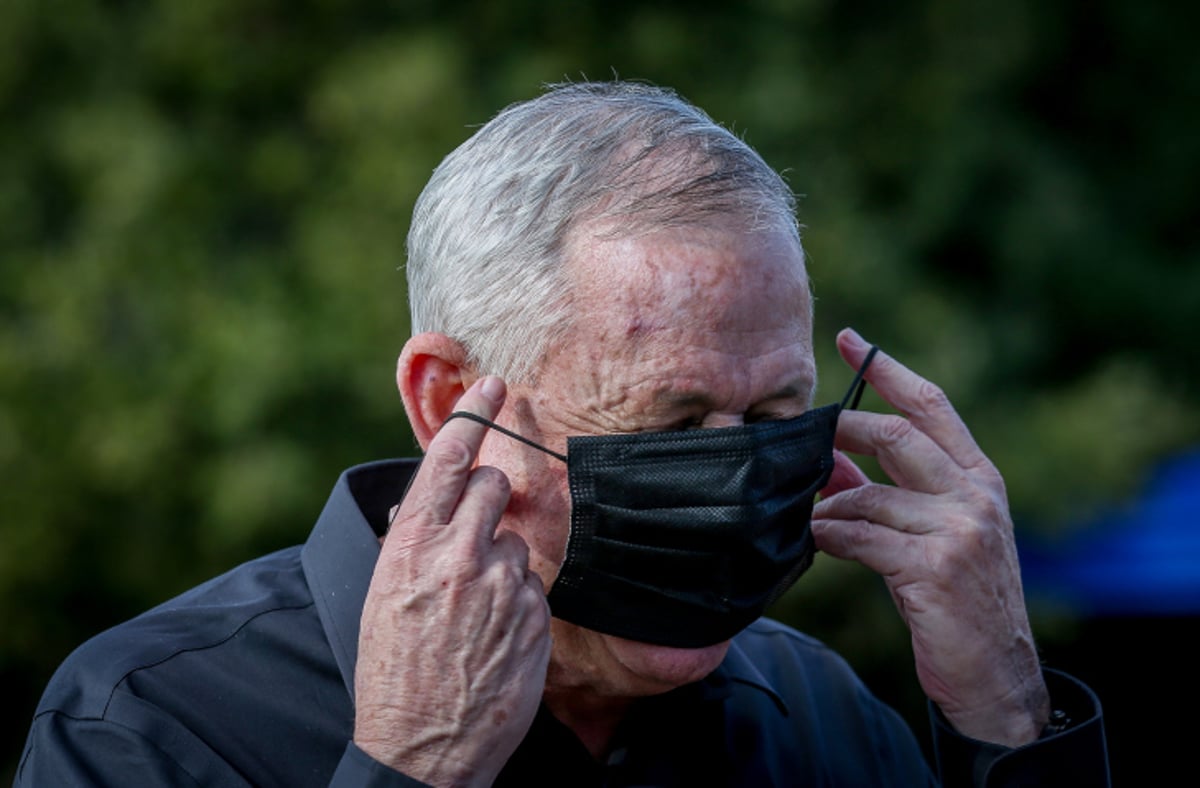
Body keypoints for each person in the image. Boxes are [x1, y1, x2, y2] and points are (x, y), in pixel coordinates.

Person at [17, 81, 1110, 787]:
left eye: (775, 414)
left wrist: (1007, 716)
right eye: (670, 420)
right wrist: (414, 770)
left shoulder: (816, 717)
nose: (731, 482)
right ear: (449, 400)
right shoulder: (149, 729)